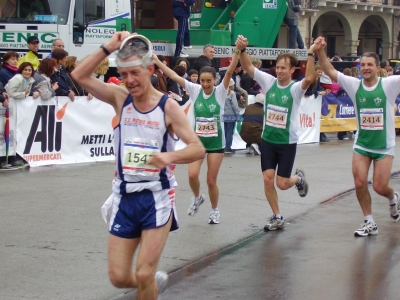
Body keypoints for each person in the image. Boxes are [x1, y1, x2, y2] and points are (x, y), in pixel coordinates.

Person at [71, 32, 205, 299]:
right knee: (119, 277)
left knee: (143, 273)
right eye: (123, 74)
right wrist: (108, 47)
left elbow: (197, 148)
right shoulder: (121, 99)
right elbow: (79, 76)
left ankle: (147, 281)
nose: (129, 80)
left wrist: (168, 157)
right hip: (124, 197)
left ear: (150, 70)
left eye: (135, 73)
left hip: (157, 196)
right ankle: (151, 283)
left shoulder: (168, 107)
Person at [315, 37, 400, 237]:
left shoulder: (389, 84)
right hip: (361, 144)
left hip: (383, 146)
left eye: (370, 64)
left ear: (378, 67)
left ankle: (392, 197)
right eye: (362, 65)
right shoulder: (354, 85)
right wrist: (320, 51)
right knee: (360, 182)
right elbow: (329, 70)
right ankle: (369, 221)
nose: (365, 68)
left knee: (379, 186)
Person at [236, 34, 318, 231]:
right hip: (268, 141)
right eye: (278, 67)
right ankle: (277, 216)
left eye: (284, 68)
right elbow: (248, 67)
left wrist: (311, 53)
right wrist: (242, 49)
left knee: (282, 184)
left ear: (292, 70)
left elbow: (309, 78)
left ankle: (298, 178)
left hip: (287, 143)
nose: (280, 71)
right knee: (267, 179)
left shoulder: (295, 88)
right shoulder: (269, 82)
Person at [153, 44, 240, 225]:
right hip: (198, 143)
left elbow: (230, 72)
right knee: (192, 176)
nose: (206, 84)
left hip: (216, 144)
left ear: (215, 80)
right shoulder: (195, 90)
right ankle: (197, 197)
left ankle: (214, 210)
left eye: (209, 81)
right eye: (203, 81)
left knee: (210, 181)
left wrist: (238, 52)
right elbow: (174, 75)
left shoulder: (220, 93)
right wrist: (156, 62)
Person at [223, 78, 240, 154]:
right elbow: (235, 106)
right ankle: (228, 147)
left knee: (225, 131)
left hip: (223, 114)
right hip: (231, 114)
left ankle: (224, 146)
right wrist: (237, 114)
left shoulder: (222, 92)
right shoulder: (232, 93)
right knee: (230, 132)